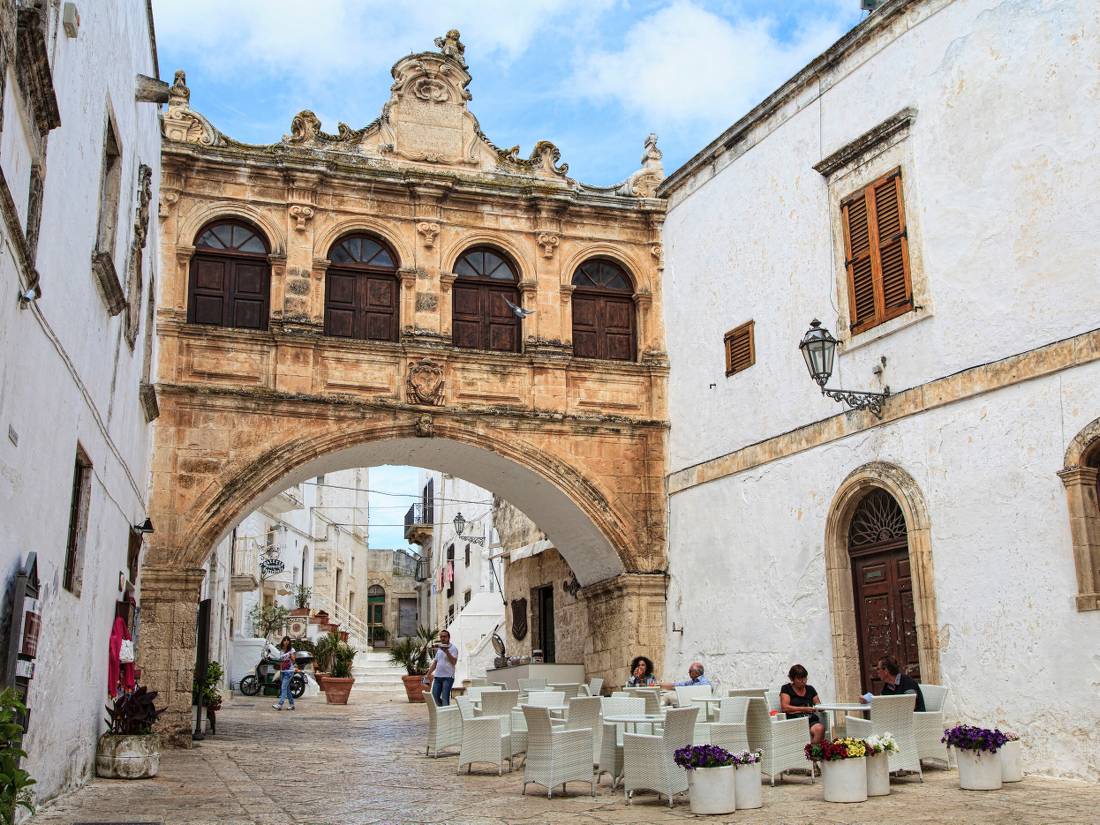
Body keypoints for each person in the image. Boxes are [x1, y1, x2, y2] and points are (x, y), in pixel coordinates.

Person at [861, 656, 926, 712]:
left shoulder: (907, 682)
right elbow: (882, 702)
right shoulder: (888, 686)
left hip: (916, 721)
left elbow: (911, 706)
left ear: (886, 670)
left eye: (878, 669)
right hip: (899, 720)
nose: (877, 672)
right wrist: (868, 700)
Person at [780, 664, 824, 744]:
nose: (803, 681)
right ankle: (808, 753)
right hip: (794, 721)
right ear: (792, 678)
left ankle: (812, 752)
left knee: (819, 728)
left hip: (810, 720)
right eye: (799, 679)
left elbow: (818, 704)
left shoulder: (810, 689)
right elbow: (785, 708)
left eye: (805, 678)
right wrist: (804, 709)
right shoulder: (786, 688)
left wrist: (819, 707)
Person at [423, 629, 459, 706]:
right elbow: (435, 662)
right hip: (437, 677)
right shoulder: (439, 649)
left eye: (444, 636)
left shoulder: (453, 648)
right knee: (434, 696)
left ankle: (445, 714)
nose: (442, 638)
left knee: (445, 698)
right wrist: (428, 674)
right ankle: (442, 711)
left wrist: (447, 652)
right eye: (441, 637)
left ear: (449, 637)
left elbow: (454, 662)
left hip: (448, 677)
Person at [272, 636, 297, 711]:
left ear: (289, 642)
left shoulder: (292, 650)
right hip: (283, 671)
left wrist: (290, 655)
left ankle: (280, 704)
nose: (286, 641)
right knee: (287, 689)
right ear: (282, 642)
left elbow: (293, 660)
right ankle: (292, 704)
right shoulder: (281, 651)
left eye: (288, 640)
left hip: (289, 672)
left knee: (283, 687)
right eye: (284, 640)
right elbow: (281, 661)